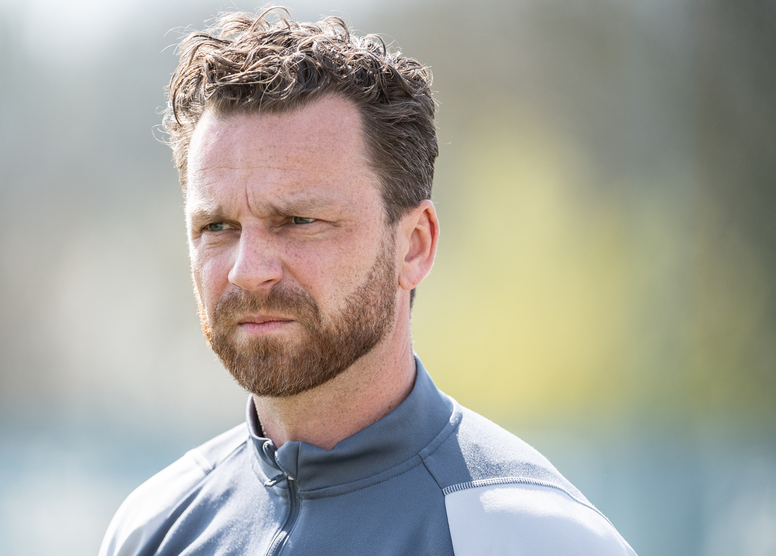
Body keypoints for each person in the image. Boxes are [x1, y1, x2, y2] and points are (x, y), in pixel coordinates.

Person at [100, 8, 636, 556]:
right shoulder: (153, 529)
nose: (247, 269)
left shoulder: (530, 538)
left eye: (300, 220)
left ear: (414, 245)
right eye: (217, 227)